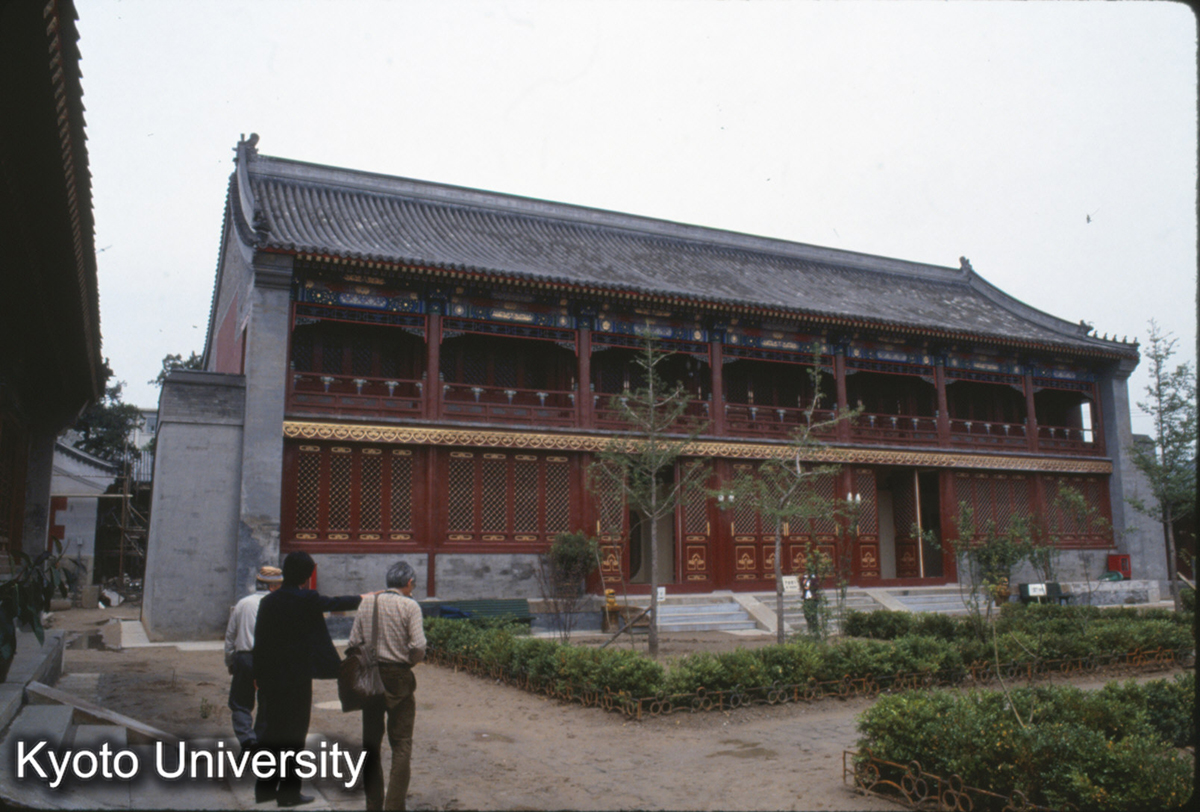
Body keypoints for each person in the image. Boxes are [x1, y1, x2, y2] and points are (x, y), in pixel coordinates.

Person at [252, 552, 363, 807]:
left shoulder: (268, 602)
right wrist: (362, 598)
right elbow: (334, 603)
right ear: (306, 575)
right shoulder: (307, 599)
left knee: (272, 731)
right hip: (297, 677)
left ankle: (265, 789)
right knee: (294, 734)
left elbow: (261, 640)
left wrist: (257, 674)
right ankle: (289, 793)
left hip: (271, 677)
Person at [349, 561, 426, 811]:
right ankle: (394, 805)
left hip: (370, 677)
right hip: (399, 675)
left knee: (371, 743)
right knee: (401, 743)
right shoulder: (410, 606)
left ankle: (373, 805)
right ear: (409, 583)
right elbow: (418, 646)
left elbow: (353, 642)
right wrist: (408, 662)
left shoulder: (367, 603)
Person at [223, 564, 283, 753]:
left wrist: (230, 661)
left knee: (240, 703)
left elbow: (230, 636)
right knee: (267, 703)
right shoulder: (278, 605)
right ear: (273, 586)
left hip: (244, 657)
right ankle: (259, 741)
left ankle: (248, 740)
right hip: (270, 659)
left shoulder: (243, 604)